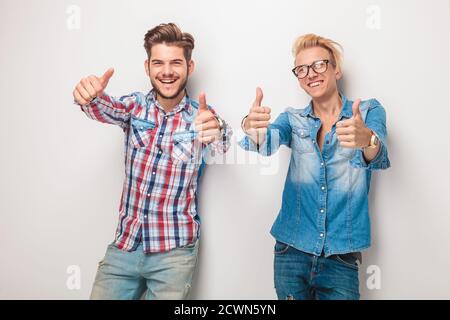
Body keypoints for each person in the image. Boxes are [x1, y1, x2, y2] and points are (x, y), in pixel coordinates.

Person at [72, 23, 232, 300]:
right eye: (158, 63)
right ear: (147, 67)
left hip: (174, 252)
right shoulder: (134, 107)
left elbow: (222, 139)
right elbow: (102, 106)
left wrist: (216, 128)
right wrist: (88, 96)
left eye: (175, 63)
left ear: (189, 67)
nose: (167, 71)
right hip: (125, 245)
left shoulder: (201, 115)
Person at [239, 33, 390, 300]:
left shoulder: (367, 112)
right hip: (291, 251)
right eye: (302, 69)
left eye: (319, 64)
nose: (311, 73)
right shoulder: (293, 120)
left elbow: (376, 157)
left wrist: (367, 139)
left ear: (336, 69)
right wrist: (251, 128)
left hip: (341, 256)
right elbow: (266, 142)